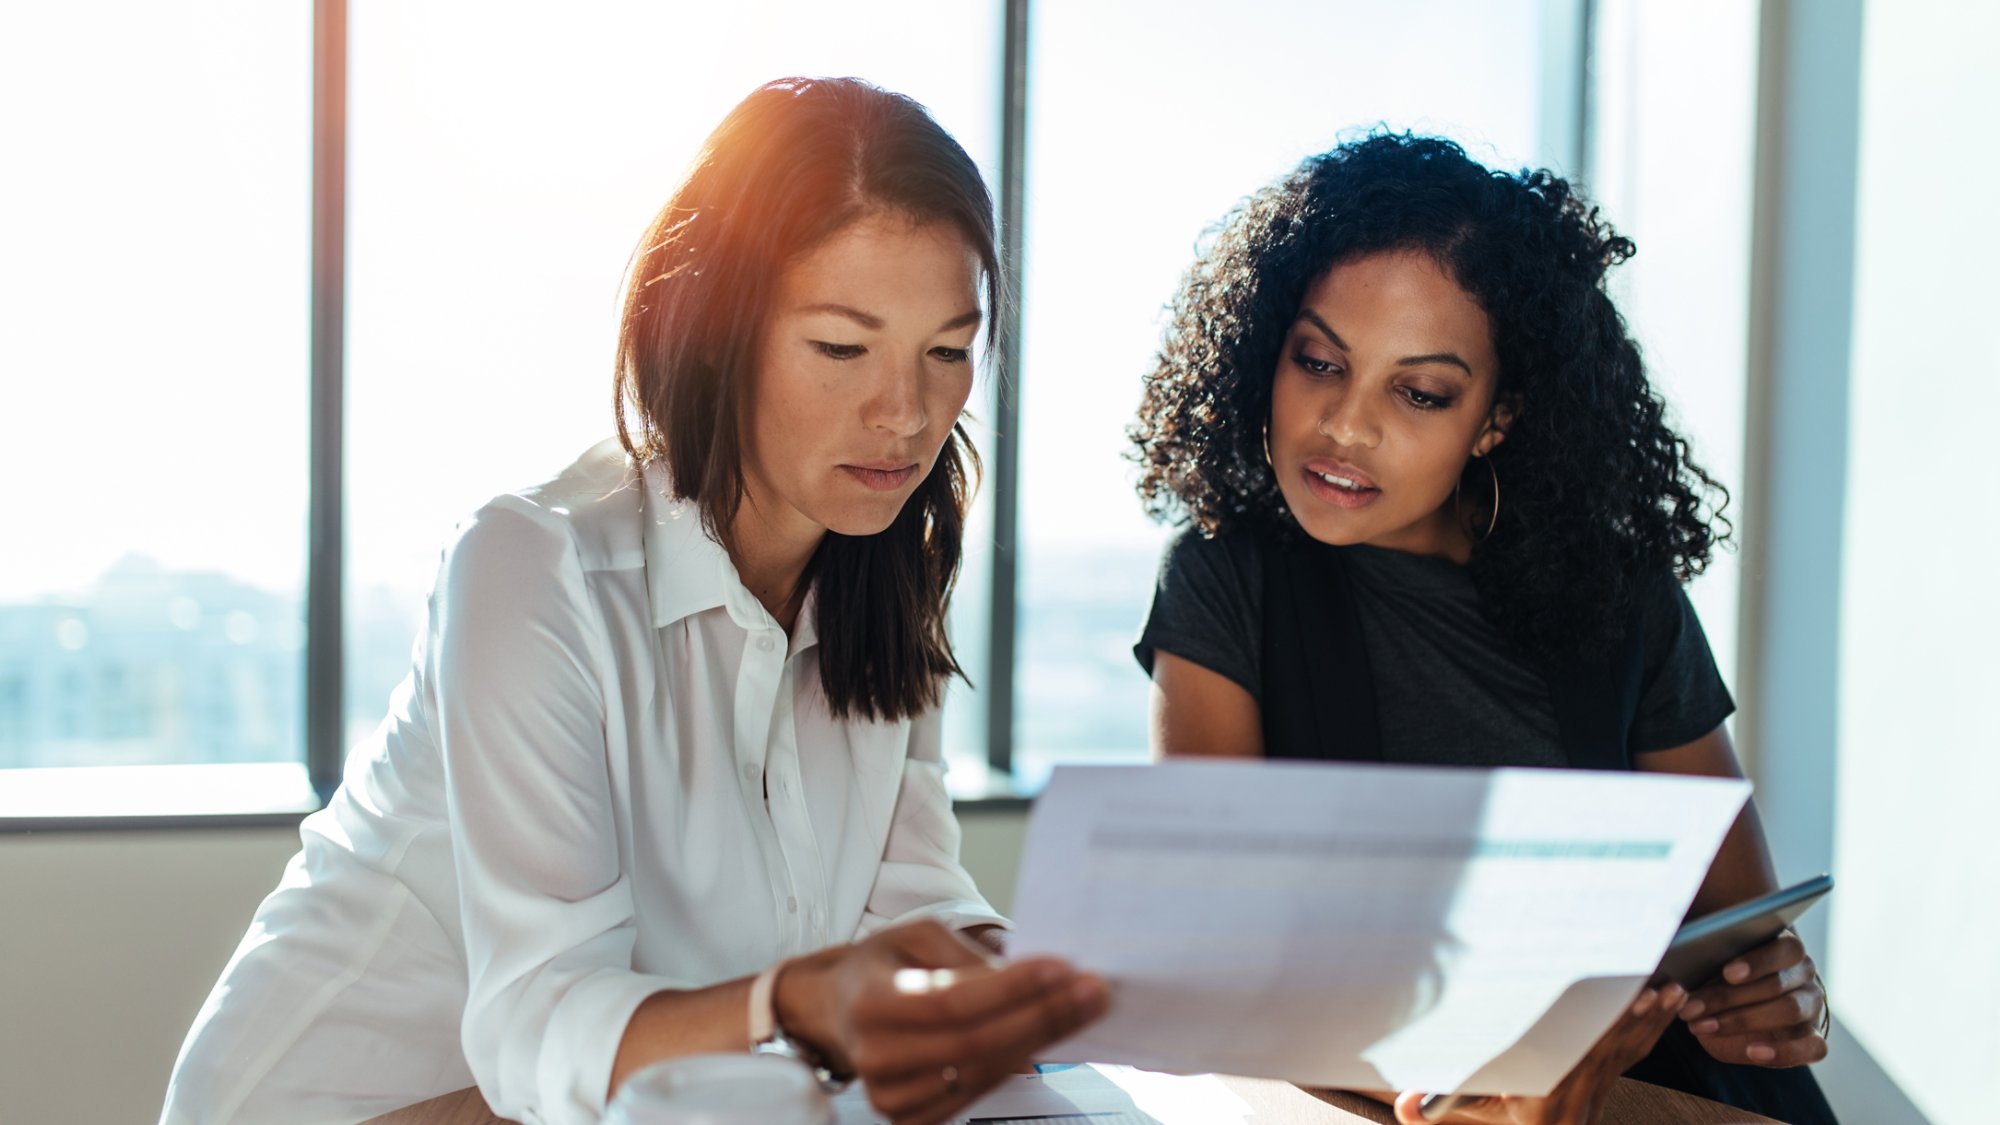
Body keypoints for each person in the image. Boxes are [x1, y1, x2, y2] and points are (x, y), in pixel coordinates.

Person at [160, 77, 1105, 1125]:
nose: (906, 412)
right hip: (364, 1104)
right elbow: (534, 1031)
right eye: (841, 347)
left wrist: (1030, 984)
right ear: (714, 331)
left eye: (945, 352)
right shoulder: (533, 564)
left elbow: (911, 899)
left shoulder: (880, 571)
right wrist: (795, 1004)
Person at [1130, 133, 1835, 1125]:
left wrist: (1778, 990)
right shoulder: (1225, 581)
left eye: (1418, 392)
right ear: (1266, 349)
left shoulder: (1620, 595)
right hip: (1396, 1097)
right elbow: (1227, 957)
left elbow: (1733, 929)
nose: (1344, 424)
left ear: (1495, 418)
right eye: (1318, 361)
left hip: (1659, 1092)